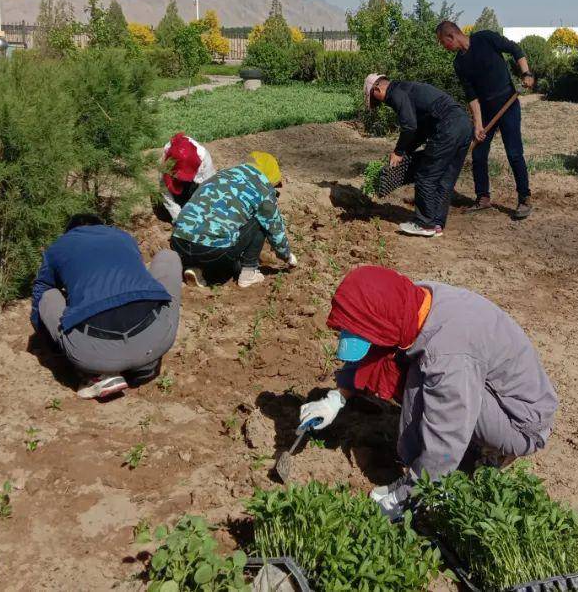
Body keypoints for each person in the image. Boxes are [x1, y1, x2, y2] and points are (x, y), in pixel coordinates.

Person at [299, 265, 557, 521]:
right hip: (483, 383)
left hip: (520, 421)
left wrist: (415, 490)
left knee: (431, 384)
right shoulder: (414, 302)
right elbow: (379, 350)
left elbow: (447, 433)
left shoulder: (448, 355)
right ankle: (429, 469)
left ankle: (472, 464)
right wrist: (337, 398)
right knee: (414, 365)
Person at [31, 214, 181, 400]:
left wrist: (45, 337)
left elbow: (42, 289)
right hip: (156, 341)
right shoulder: (123, 236)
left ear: (70, 232)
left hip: (93, 355)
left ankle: (97, 375)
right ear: (102, 226)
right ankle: (145, 364)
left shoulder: (58, 248)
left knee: (48, 295)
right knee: (168, 256)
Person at [435, 21, 534, 220]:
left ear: (451, 36)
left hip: (508, 103)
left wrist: (526, 73)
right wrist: (478, 125)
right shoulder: (459, 63)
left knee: (514, 153)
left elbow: (515, 49)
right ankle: (483, 197)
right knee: (479, 153)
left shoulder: (486, 38)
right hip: (487, 111)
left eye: (442, 42)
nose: (443, 47)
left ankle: (524, 198)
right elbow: (472, 97)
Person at [364, 74, 473, 237]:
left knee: (426, 175)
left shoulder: (396, 93)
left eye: (375, 98)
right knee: (445, 179)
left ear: (378, 89)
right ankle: (437, 224)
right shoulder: (409, 89)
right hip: (464, 125)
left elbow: (409, 127)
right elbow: (420, 130)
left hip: (447, 128)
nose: (380, 103)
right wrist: (406, 151)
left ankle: (424, 223)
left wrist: (398, 152)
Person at [171, 151, 296, 288]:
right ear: (270, 175)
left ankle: (195, 267)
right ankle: (249, 273)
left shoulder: (223, 175)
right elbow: (274, 228)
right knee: (260, 220)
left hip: (179, 243)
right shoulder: (263, 188)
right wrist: (287, 256)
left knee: (205, 227)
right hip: (212, 251)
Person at [159, 132, 216, 221]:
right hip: (174, 172)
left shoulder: (204, 160)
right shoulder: (166, 159)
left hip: (199, 176)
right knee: (177, 195)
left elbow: (209, 190)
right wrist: (178, 218)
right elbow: (165, 191)